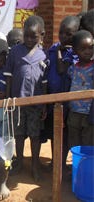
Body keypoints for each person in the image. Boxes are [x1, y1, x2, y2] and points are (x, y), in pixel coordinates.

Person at [4, 15, 48, 182]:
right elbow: (8, 76)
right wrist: (8, 98)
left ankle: (35, 165)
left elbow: (44, 82)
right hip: (17, 103)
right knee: (19, 135)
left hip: (36, 104)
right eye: (26, 35)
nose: (29, 39)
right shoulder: (14, 52)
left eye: (34, 36)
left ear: (41, 35)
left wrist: (43, 104)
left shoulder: (44, 55)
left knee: (35, 135)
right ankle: (20, 162)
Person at [42, 16, 80, 169]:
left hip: (69, 103)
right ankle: (55, 161)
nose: (64, 36)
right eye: (61, 33)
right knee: (53, 132)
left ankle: (62, 163)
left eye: (68, 34)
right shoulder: (53, 49)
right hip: (53, 100)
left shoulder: (76, 52)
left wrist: (60, 51)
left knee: (65, 134)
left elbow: (61, 69)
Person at [60, 30, 94, 147]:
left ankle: (86, 165)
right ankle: (77, 165)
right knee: (74, 142)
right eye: (83, 49)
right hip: (74, 112)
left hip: (89, 113)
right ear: (75, 51)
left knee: (88, 143)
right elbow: (67, 88)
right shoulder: (72, 69)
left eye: (90, 48)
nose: (87, 52)